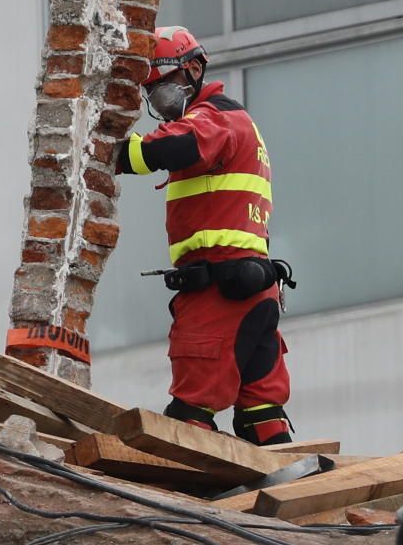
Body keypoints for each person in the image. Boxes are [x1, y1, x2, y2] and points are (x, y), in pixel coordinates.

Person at [116, 26, 295, 445]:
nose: (158, 97)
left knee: (188, 417)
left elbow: (169, 149)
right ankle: (284, 502)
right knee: (261, 413)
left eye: (162, 84)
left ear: (193, 69)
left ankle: (187, 507)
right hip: (254, 291)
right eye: (152, 90)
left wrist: (108, 151)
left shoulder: (213, 117)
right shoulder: (236, 121)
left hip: (218, 294)